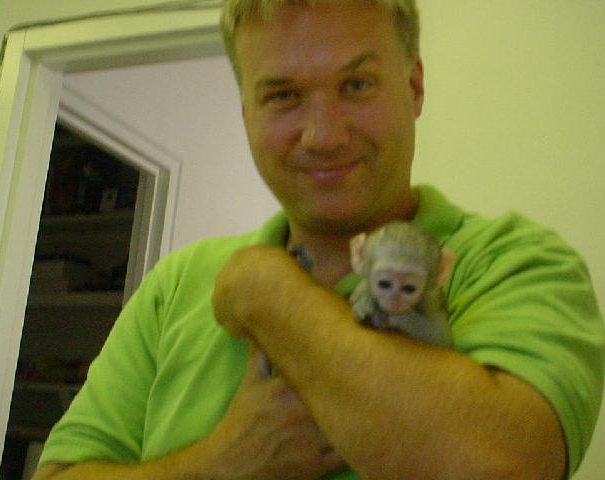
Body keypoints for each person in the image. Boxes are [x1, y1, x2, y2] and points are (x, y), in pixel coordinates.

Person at [34, 1, 604, 479]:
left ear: (413, 87)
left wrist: (269, 292)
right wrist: (221, 464)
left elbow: (505, 466)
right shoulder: (176, 285)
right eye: (283, 96)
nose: (324, 136)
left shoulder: (517, 264)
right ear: (247, 113)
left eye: (356, 85)